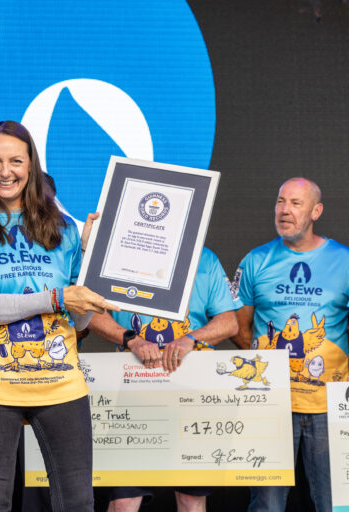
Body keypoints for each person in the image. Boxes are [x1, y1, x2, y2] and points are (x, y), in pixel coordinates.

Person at [0, 120, 117, 511]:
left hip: (61, 385)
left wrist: (90, 267)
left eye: (15, 161)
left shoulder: (66, 232)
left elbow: (78, 322)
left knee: (78, 503)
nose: (5, 171)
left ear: (31, 165)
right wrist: (59, 297)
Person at [88, 247, 240, 512]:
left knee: (191, 500)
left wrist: (191, 339)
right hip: (134, 388)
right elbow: (90, 312)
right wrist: (131, 339)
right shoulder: (119, 252)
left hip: (193, 389)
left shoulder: (205, 258)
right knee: (124, 501)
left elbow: (229, 322)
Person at [231, 177, 349, 512]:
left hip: (329, 405)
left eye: (296, 203)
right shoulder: (255, 261)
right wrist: (271, 370)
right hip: (271, 404)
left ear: (316, 211)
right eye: (281, 201)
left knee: (335, 503)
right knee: (266, 504)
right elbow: (240, 328)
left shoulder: (344, 260)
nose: (285, 210)